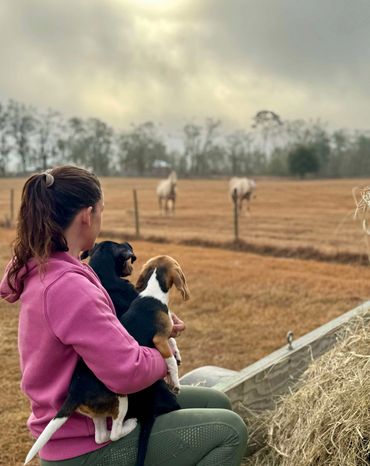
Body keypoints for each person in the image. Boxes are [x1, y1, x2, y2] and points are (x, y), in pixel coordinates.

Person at [0, 165, 248, 466]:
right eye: (102, 211)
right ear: (87, 216)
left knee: (215, 401)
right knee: (229, 430)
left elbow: (103, 334)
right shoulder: (67, 286)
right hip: (83, 444)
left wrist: (152, 322)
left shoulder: (48, 268)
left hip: (86, 422)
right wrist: (164, 354)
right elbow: (126, 372)